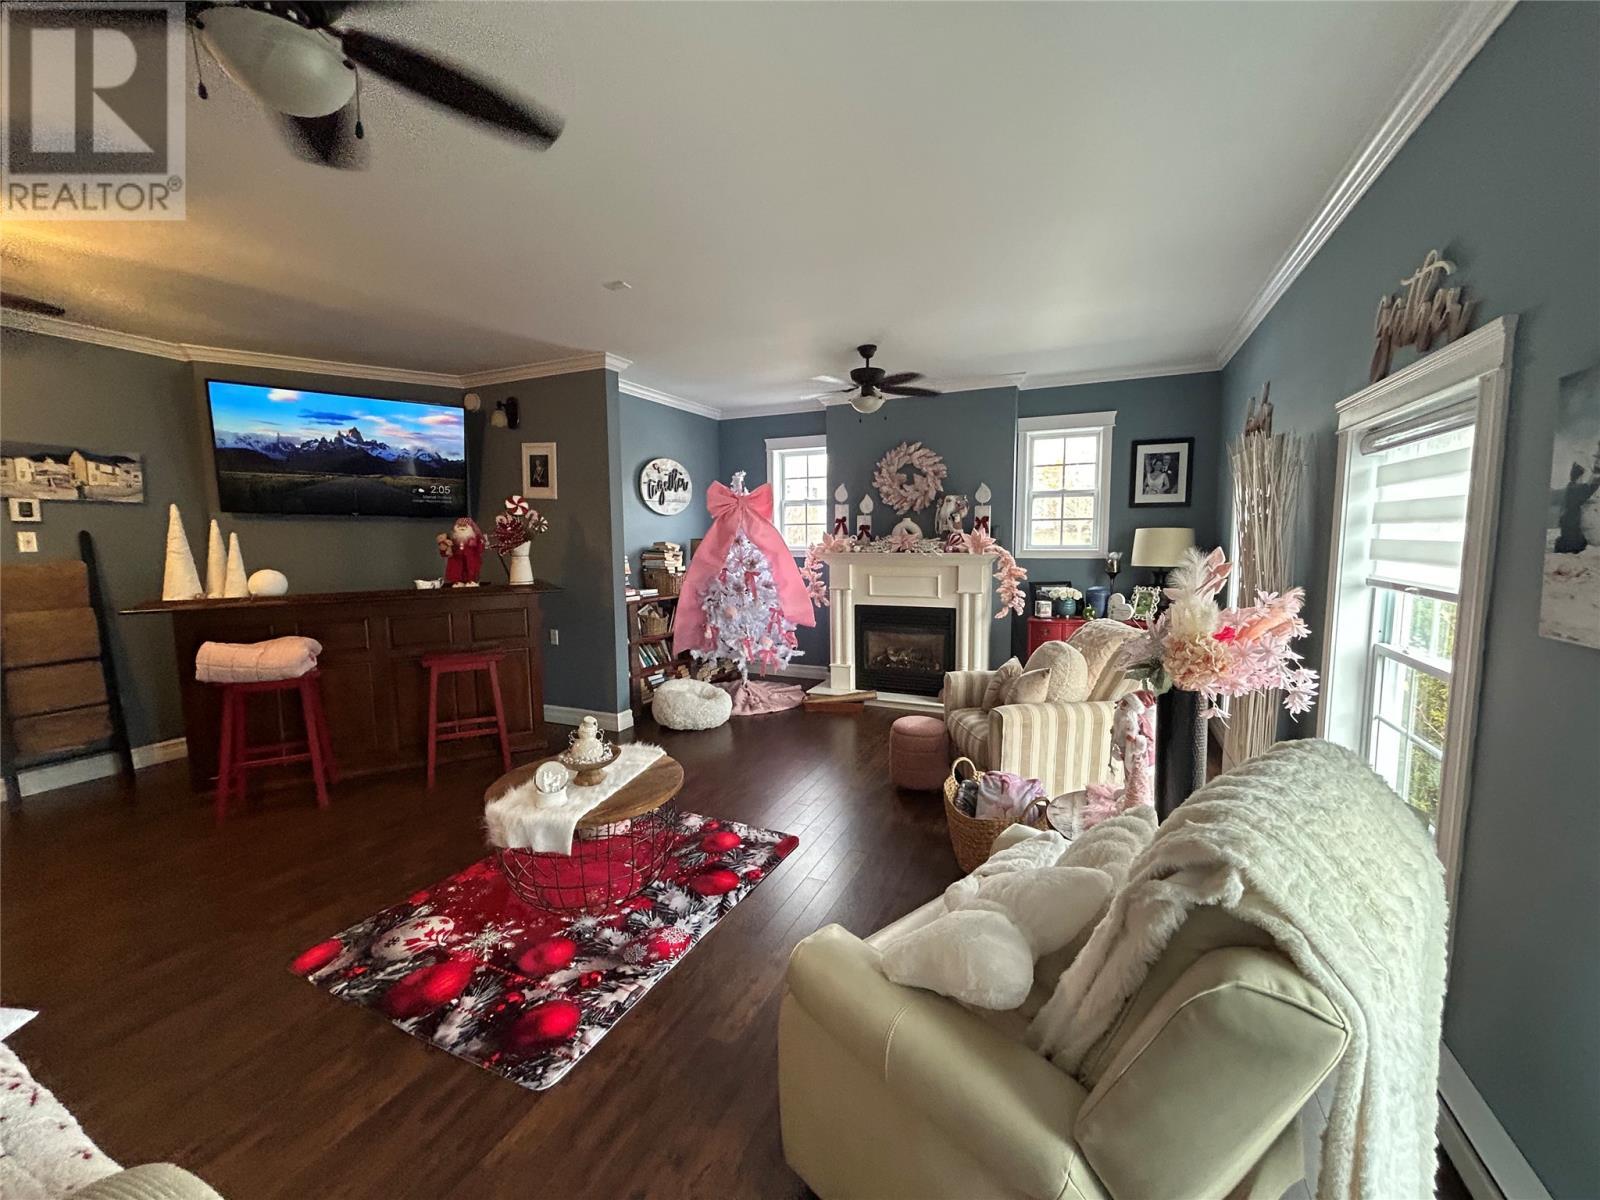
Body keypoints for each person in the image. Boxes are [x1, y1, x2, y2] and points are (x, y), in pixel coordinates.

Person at [1554, 461, 1599, 553]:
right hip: (1571, 518)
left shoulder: (1571, 486)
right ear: (1579, 477)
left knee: (1569, 537)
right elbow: (1589, 489)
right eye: (1582, 477)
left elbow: (1587, 488)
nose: (1582, 479)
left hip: (1567, 518)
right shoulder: (1575, 489)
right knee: (1574, 540)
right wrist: (1597, 477)